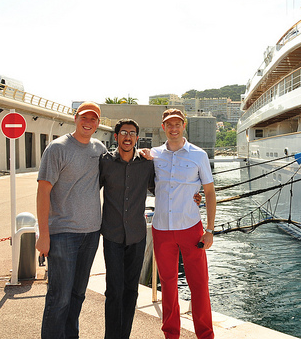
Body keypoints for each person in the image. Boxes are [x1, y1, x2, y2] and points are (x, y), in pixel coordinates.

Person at [36, 101, 106, 339]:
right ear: (75, 118)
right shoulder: (57, 148)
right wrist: (43, 234)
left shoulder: (99, 149)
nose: (88, 122)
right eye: (84, 118)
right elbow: (43, 191)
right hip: (63, 233)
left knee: (77, 294)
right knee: (60, 297)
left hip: (91, 233)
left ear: (98, 123)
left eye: (93, 119)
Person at [149, 108, 217, 339]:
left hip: (191, 228)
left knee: (199, 285)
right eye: (169, 124)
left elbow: (209, 192)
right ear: (163, 127)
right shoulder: (155, 154)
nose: (174, 128)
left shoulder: (198, 155)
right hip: (162, 229)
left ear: (184, 125)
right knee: (168, 286)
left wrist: (209, 230)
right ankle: (171, 334)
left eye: (177, 124)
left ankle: (205, 335)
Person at [99, 119, 154, 339]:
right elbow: (88, 188)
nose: (128, 137)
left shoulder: (146, 163)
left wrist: (192, 195)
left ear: (137, 138)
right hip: (112, 235)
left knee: (131, 290)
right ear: (116, 137)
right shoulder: (105, 162)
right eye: (123, 133)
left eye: (132, 133)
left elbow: (162, 188)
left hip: (137, 236)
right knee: (114, 290)